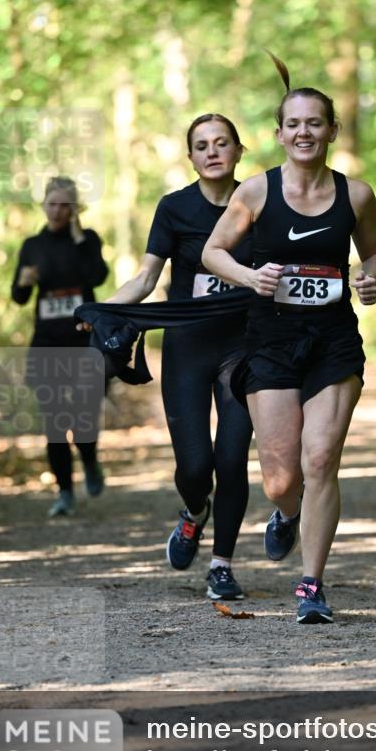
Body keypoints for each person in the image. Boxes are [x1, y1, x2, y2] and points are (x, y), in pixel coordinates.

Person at [202, 57, 376, 624]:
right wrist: (249, 276)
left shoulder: (356, 195)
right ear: (279, 134)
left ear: (332, 131)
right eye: (294, 124)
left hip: (332, 339)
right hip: (272, 339)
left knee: (322, 458)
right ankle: (285, 514)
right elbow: (214, 252)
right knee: (283, 479)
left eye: (315, 123)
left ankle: (311, 585)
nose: (304, 132)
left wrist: (370, 277)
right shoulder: (256, 192)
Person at [95, 114, 253, 602]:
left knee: (231, 460)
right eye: (201, 145)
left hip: (243, 347)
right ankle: (193, 513)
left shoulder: (259, 203)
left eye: (221, 143)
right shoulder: (174, 207)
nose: (212, 151)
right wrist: (103, 312)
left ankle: (222, 565)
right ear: (191, 157)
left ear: (238, 151)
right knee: (194, 466)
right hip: (186, 347)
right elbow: (145, 279)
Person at [12, 176, 109, 518]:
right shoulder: (32, 245)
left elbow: (98, 276)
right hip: (47, 345)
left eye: (65, 204)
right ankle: (65, 492)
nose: (57, 210)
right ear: (43, 205)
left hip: (85, 343)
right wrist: (23, 283)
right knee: (54, 422)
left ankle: (90, 458)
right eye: (52, 203)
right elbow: (19, 296)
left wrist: (81, 239)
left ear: (75, 209)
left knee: (83, 417)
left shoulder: (87, 240)